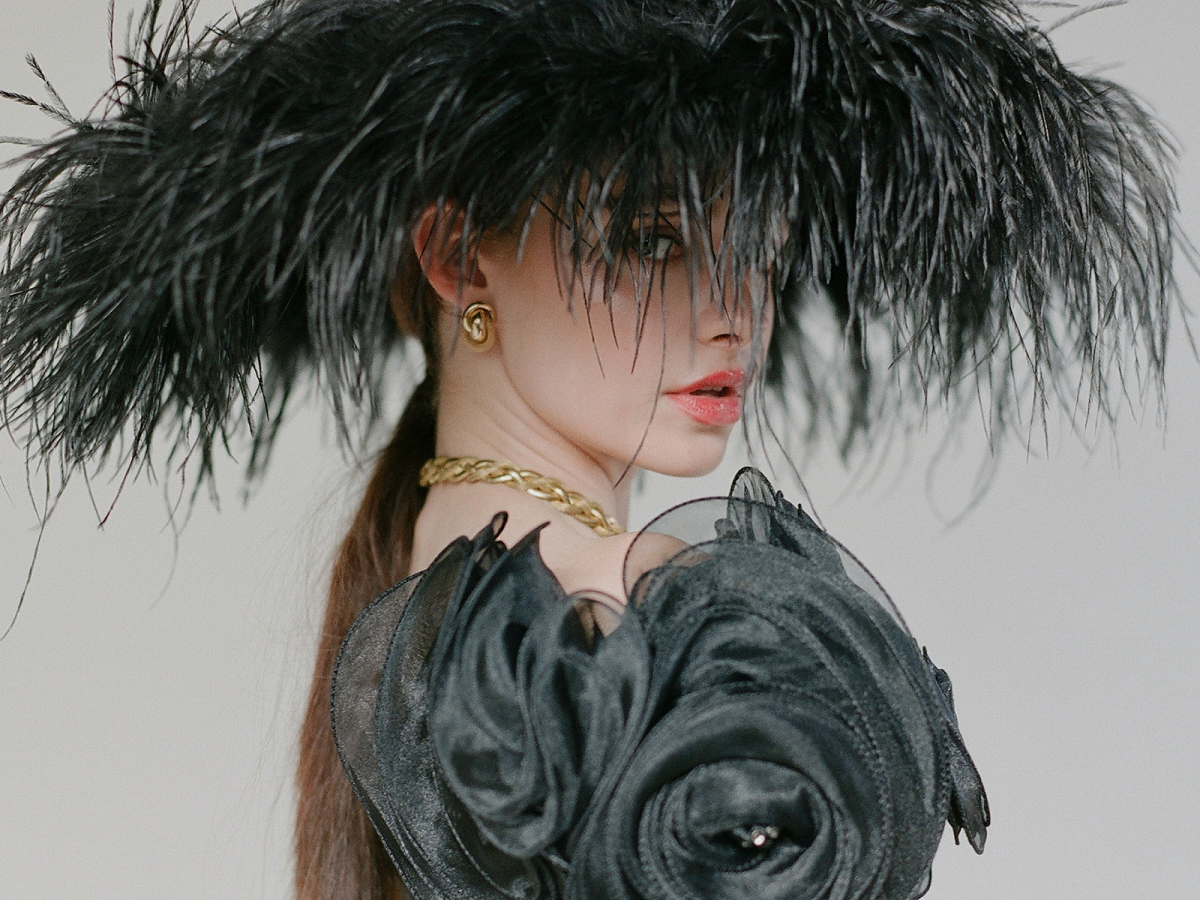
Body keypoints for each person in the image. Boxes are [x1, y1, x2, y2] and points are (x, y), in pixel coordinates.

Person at [0, 1, 1181, 899]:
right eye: (652, 239)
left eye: (760, 250)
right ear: (460, 259)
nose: (734, 310)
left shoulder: (433, 569)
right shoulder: (617, 599)